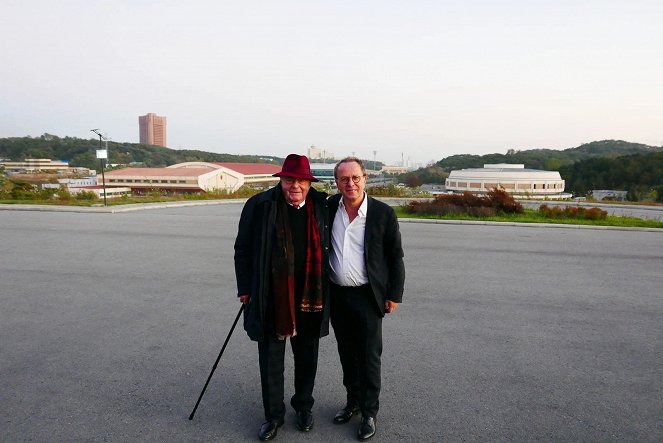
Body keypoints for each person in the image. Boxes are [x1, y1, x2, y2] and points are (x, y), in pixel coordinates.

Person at [234, 154, 330, 441]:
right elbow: (243, 249)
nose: (295, 186)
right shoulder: (260, 205)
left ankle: (303, 407)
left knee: (307, 357)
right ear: (281, 180)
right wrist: (245, 288)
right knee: (271, 360)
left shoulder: (322, 207)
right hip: (272, 296)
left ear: (309, 183)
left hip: (310, 297)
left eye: (301, 180)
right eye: (289, 179)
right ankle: (273, 416)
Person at [328, 157, 405, 441]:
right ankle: (353, 402)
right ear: (336, 182)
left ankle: (370, 412)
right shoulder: (328, 209)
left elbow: (395, 257)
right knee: (346, 353)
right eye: (344, 179)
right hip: (337, 295)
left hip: (368, 295)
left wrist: (394, 293)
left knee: (369, 355)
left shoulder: (383, 213)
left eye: (355, 178)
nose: (350, 184)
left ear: (365, 179)